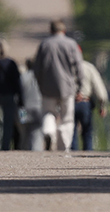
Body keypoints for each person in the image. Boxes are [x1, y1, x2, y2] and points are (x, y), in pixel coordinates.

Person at [33, 19, 84, 153]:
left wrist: (40, 83)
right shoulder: (71, 44)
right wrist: (80, 87)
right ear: (64, 31)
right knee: (67, 118)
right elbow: (79, 67)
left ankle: (48, 131)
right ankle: (63, 146)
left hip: (48, 86)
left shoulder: (44, 44)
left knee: (48, 112)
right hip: (67, 87)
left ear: (51, 30)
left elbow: (37, 68)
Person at [72, 59, 109, 151]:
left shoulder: (67, 67)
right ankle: (88, 155)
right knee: (87, 133)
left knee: (71, 132)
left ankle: (72, 154)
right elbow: (99, 89)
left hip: (70, 102)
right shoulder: (89, 67)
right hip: (85, 102)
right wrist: (102, 105)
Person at [17, 58, 44, 150]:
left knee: (24, 133)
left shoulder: (23, 77)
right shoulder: (40, 77)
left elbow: (19, 93)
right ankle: (36, 150)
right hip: (38, 107)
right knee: (37, 133)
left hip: (24, 109)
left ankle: (24, 150)